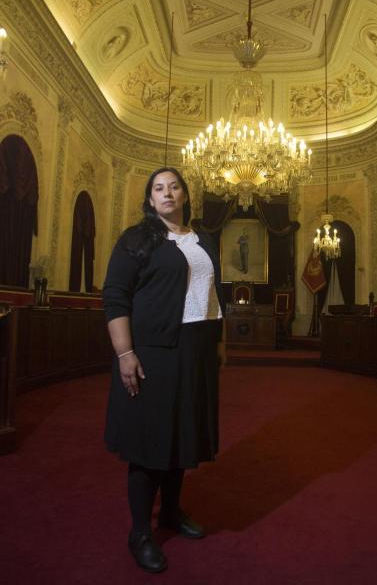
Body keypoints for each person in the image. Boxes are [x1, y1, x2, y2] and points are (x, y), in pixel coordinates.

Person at [103, 167, 225, 574]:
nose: (167, 193)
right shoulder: (137, 239)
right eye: (159, 188)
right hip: (154, 352)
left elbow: (211, 295)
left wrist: (218, 344)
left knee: (181, 436)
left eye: (174, 186)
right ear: (150, 199)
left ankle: (171, 511)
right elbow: (115, 297)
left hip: (197, 350)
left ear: (186, 195)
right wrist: (125, 354)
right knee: (149, 443)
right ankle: (139, 532)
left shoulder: (204, 240)